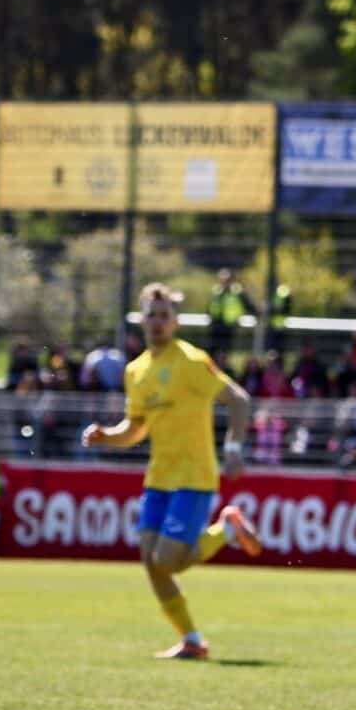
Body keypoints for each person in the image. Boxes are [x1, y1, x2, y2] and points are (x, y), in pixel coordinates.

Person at [81, 282, 264, 659]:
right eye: (152, 315)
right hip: (159, 478)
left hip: (194, 476)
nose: (158, 322)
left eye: (165, 316)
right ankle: (192, 640)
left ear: (175, 321)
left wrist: (233, 449)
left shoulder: (191, 361)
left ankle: (227, 529)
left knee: (166, 560)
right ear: (141, 319)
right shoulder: (136, 371)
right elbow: (136, 429)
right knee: (152, 564)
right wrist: (105, 436)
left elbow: (238, 401)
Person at [205, 269, 254, 362]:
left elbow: (248, 305)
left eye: (226, 280)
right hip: (215, 325)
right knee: (212, 351)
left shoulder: (237, 292)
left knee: (225, 352)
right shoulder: (216, 291)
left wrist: (257, 312)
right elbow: (210, 306)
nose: (224, 282)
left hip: (229, 326)